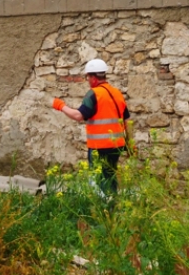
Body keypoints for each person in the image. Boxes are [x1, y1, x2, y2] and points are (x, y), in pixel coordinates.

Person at [51, 58, 131, 195]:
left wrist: (60, 106)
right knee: (110, 177)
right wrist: (129, 144)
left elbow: (78, 116)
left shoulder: (94, 94)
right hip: (117, 145)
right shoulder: (117, 93)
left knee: (98, 181)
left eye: (88, 77)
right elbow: (126, 121)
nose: (88, 80)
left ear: (93, 77)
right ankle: (112, 208)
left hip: (99, 147)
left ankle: (102, 210)